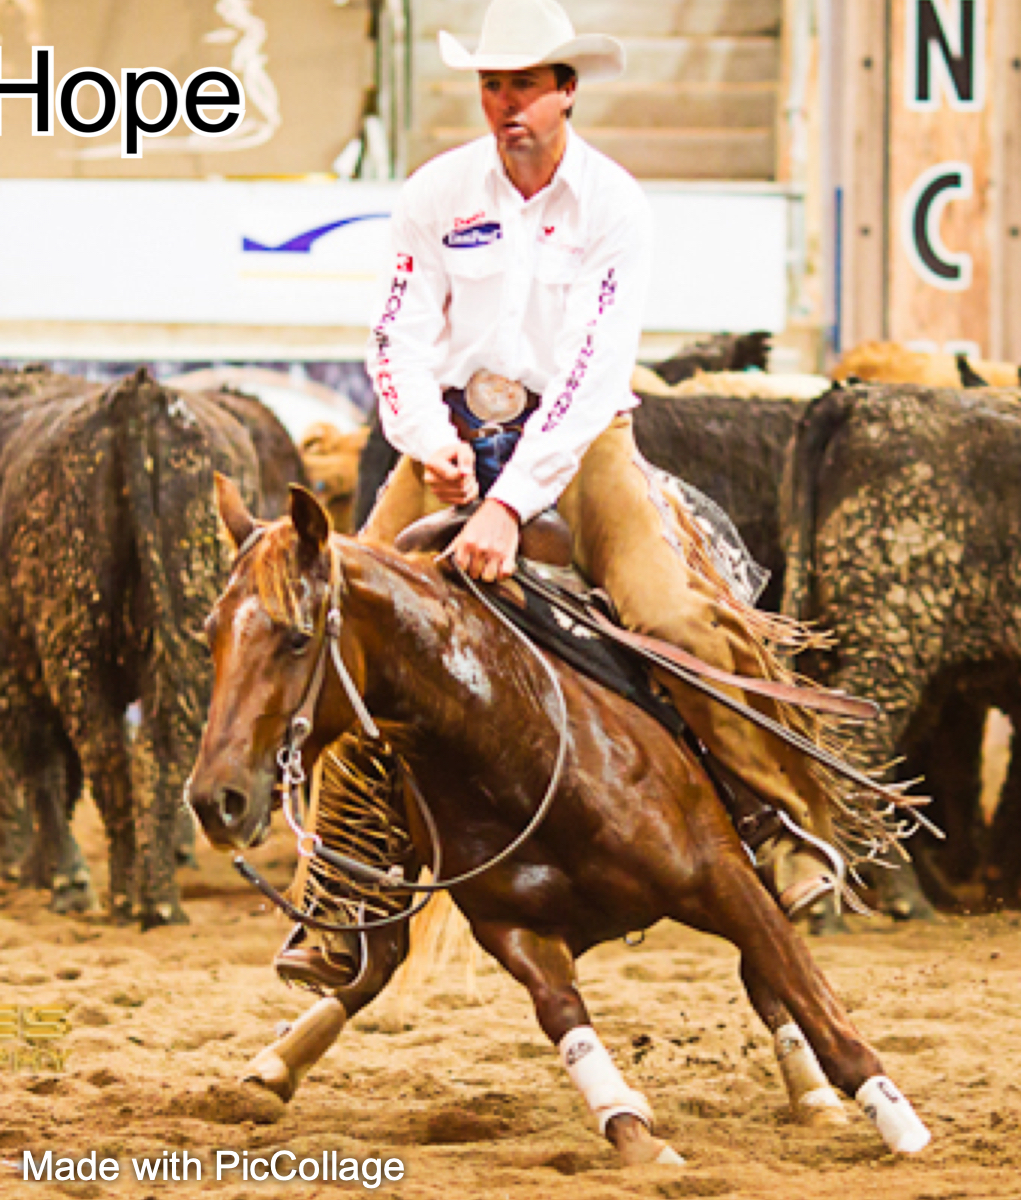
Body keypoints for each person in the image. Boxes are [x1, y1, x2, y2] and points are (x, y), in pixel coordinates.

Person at [276, 0, 842, 991]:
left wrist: (509, 504)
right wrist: (429, 440)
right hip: (451, 437)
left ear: (566, 90)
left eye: (526, 85)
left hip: (581, 449)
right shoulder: (434, 193)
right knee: (338, 623)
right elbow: (397, 336)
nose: (508, 104)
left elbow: (591, 369)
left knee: (673, 619)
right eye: (493, 85)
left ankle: (780, 821)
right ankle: (340, 896)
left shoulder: (614, 205)